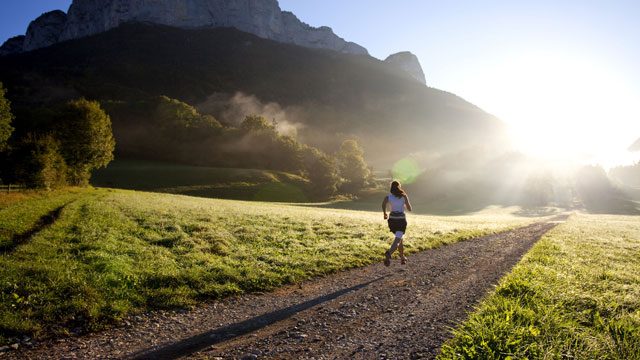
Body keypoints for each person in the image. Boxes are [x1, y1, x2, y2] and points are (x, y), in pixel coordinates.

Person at [382, 180, 412, 266]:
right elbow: (409, 209)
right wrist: (404, 204)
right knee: (398, 240)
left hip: (392, 220)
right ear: (399, 187)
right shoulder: (404, 196)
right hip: (400, 220)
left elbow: (383, 204)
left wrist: (384, 213)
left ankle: (402, 258)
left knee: (399, 238)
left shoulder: (388, 197)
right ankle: (389, 253)